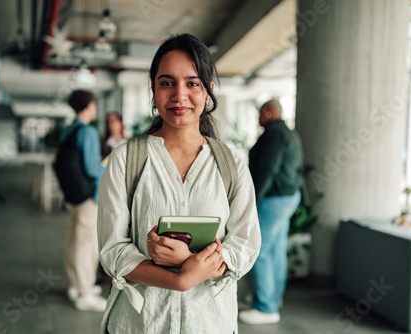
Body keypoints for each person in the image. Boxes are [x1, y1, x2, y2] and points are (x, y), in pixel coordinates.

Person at [97, 34, 261, 334]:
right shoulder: (125, 160)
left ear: (209, 91)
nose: (179, 95)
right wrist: (180, 279)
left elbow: (245, 244)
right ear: (153, 89)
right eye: (166, 82)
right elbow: (113, 250)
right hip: (140, 324)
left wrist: (192, 262)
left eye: (192, 83)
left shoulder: (232, 164)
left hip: (210, 324)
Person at [239, 99, 303, 325]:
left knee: (258, 250)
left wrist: (251, 203)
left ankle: (265, 307)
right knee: (275, 250)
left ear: (269, 112)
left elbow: (266, 170)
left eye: (260, 113)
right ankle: (271, 299)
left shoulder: (274, 134)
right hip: (288, 197)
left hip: (274, 199)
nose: (258, 118)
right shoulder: (289, 133)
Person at [59, 90, 107, 312]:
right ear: (88, 105)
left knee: (74, 240)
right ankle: (84, 292)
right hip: (89, 195)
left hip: (75, 194)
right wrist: (107, 167)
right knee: (87, 245)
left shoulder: (70, 130)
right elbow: (92, 168)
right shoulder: (87, 132)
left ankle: (75, 285)